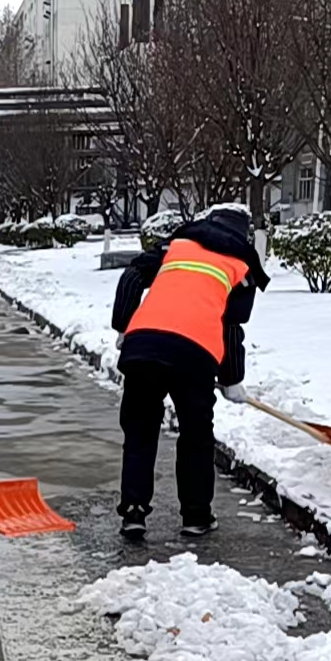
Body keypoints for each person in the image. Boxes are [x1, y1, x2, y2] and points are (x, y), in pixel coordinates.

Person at [111, 206, 269, 539]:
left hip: (143, 345)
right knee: (196, 434)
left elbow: (131, 277)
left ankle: (134, 511)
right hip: (194, 352)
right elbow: (230, 325)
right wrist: (232, 378)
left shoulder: (178, 245)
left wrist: (124, 325)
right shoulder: (241, 263)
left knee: (140, 430)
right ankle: (196, 516)